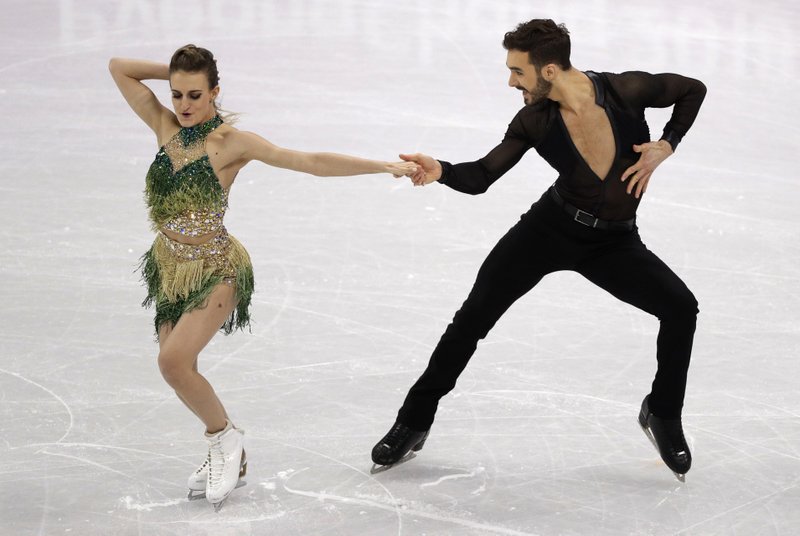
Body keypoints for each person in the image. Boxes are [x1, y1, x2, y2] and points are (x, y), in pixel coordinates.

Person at [371, 19, 706, 481]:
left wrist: (666, 144)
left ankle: (662, 414)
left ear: (548, 70)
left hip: (613, 241)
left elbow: (693, 89)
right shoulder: (535, 119)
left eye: (518, 71)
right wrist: (441, 170)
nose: (511, 81)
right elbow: (482, 176)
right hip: (547, 231)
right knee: (471, 319)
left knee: (680, 308)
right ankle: (414, 419)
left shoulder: (626, 90)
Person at [109, 44, 417, 509]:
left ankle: (224, 442)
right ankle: (226, 444)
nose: (185, 105)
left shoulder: (233, 143)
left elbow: (309, 161)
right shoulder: (165, 128)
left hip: (216, 269)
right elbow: (119, 69)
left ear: (215, 91)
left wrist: (382, 166)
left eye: (195, 94)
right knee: (179, 372)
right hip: (170, 269)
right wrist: (169, 71)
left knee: (172, 363)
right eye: (176, 95)